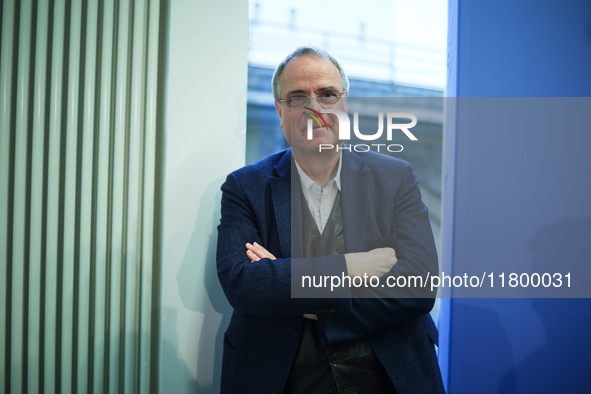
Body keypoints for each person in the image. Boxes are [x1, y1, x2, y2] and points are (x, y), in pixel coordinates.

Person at [216, 46, 444, 393]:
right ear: (280, 110)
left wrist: (304, 297)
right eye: (297, 97)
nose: (314, 107)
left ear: (344, 105)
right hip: (281, 372)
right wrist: (353, 267)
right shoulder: (245, 187)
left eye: (327, 94)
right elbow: (244, 284)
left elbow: (418, 285)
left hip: (387, 369)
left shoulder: (396, 178)